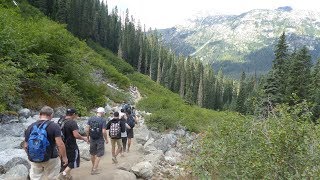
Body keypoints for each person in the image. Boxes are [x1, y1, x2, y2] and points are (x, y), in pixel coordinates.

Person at [24, 106, 68, 180]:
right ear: (51, 115)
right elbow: (60, 144)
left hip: (35, 158)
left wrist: (32, 154)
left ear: (40, 114)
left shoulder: (30, 126)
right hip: (51, 158)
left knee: (35, 178)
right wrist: (64, 157)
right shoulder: (54, 126)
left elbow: (25, 145)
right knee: (53, 177)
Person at [58, 108, 88, 180]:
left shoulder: (60, 120)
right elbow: (76, 135)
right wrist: (84, 138)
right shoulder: (72, 122)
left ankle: (68, 177)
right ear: (74, 114)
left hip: (61, 144)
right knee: (73, 160)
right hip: (70, 145)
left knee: (64, 161)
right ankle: (63, 174)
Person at [85, 107, 108, 175]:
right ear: (102, 113)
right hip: (99, 138)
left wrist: (87, 137)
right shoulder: (103, 120)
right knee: (99, 154)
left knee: (92, 153)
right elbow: (104, 131)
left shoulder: (91, 118)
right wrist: (106, 139)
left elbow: (87, 129)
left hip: (92, 138)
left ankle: (93, 167)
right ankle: (94, 169)